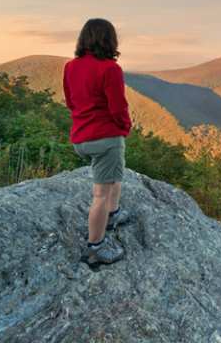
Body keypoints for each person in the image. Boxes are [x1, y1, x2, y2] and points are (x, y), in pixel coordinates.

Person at [63, 18, 132, 266]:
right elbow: (118, 107)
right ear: (109, 39)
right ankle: (95, 247)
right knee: (100, 194)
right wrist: (125, 127)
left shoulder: (70, 67)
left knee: (114, 175)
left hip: (81, 136)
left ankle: (113, 214)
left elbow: (71, 102)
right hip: (104, 137)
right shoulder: (110, 69)